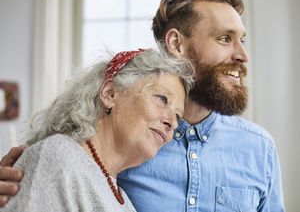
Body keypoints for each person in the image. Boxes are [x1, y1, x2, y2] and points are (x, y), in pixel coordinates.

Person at [0, 0, 285, 211]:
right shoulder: (128, 141)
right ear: (176, 44)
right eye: (224, 38)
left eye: (242, 40)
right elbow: (59, 168)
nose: (243, 56)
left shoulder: (259, 149)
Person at [0, 49, 194, 212]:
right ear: (110, 93)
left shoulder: (122, 200)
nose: (173, 124)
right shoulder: (58, 157)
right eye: (162, 99)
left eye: (178, 116)